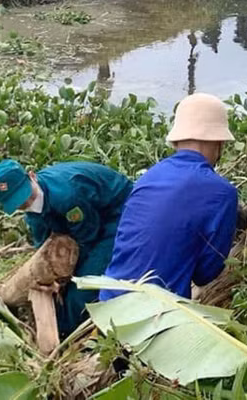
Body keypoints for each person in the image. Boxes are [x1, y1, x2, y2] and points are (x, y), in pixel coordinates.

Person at [101, 94, 239, 300]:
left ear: (176, 140)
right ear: (219, 142)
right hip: (156, 311)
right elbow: (205, 274)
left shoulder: (149, 177)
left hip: (109, 299)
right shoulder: (222, 192)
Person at [0, 159, 132, 336]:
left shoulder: (66, 195)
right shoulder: (33, 212)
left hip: (118, 214)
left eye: (26, 195)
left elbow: (87, 238)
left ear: (32, 176)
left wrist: (65, 278)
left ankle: (69, 333)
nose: (26, 203)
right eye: (19, 203)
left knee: (83, 286)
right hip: (88, 220)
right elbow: (43, 245)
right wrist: (46, 273)